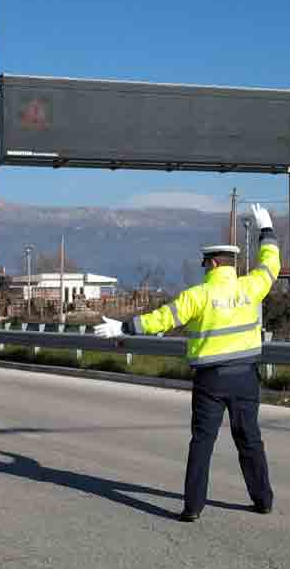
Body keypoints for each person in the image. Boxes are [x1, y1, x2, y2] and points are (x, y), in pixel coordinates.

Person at [96, 204, 280, 522]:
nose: (203, 268)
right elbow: (270, 264)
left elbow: (161, 319)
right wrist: (267, 230)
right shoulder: (251, 287)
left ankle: (193, 507)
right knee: (250, 438)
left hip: (211, 380)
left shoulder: (197, 296)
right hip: (246, 377)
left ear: (212, 263)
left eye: (204, 263)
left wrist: (123, 327)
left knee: (202, 442)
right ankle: (263, 500)